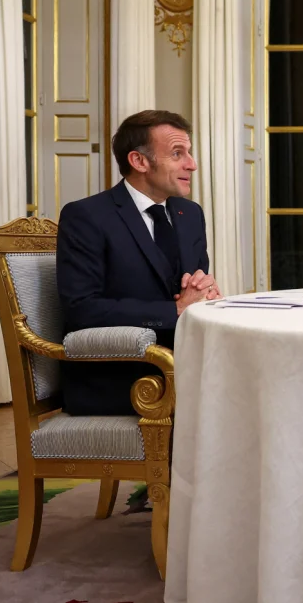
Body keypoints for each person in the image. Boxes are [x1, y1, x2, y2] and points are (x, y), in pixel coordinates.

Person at [56, 110, 221, 416]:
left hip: (187, 362)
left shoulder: (190, 214)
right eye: (177, 153)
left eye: (189, 153)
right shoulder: (87, 217)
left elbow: (192, 287)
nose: (192, 164)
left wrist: (206, 293)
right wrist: (175, 310)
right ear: (139, 161)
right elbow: (81, 309)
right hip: (122, 375)